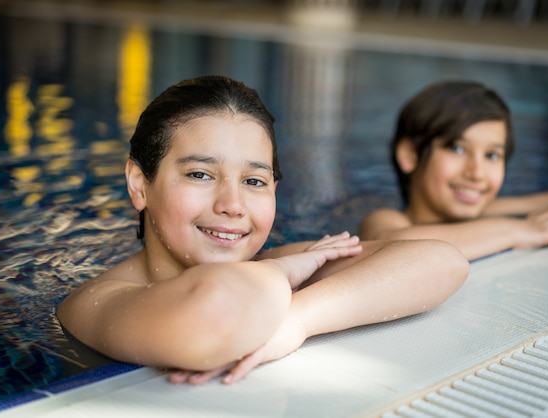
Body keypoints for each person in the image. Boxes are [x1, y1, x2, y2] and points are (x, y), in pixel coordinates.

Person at [57, 76, 469, 386]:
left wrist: (298, 321)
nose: (232, 206)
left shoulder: (267, 264)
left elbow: (442, 261)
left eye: (254, 182)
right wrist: (281, 275)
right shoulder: (96, 303)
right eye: (200, 174)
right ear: (139, 183)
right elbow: (215, 316)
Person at [360, 80, 548, 261]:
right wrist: (521, 230)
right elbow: (395, 244)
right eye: (457, 149)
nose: (476, 173)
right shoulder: (387, 219)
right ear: (410, 155)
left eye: (492, 155)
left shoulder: (488, 210)